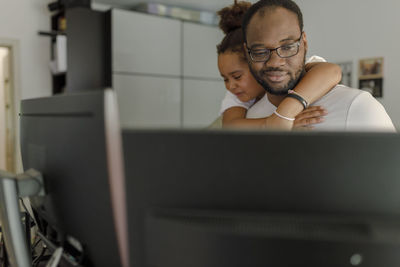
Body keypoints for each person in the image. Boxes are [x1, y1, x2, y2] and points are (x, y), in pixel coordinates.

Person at [242, 0, 395, 132]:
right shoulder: (252, 117)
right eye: (260, 51)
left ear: (304, 43)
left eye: (287, 47)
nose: (275, 62)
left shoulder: (358, 107)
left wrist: (284, 115)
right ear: (246, 51)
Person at [217, 1, 342, 130]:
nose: (230, 86)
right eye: (225, 79)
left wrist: (286, 112)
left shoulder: (291, 70)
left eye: (237, 76)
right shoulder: (236, 94)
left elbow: (332, 71)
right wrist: (275, 122)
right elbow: (230, 125)